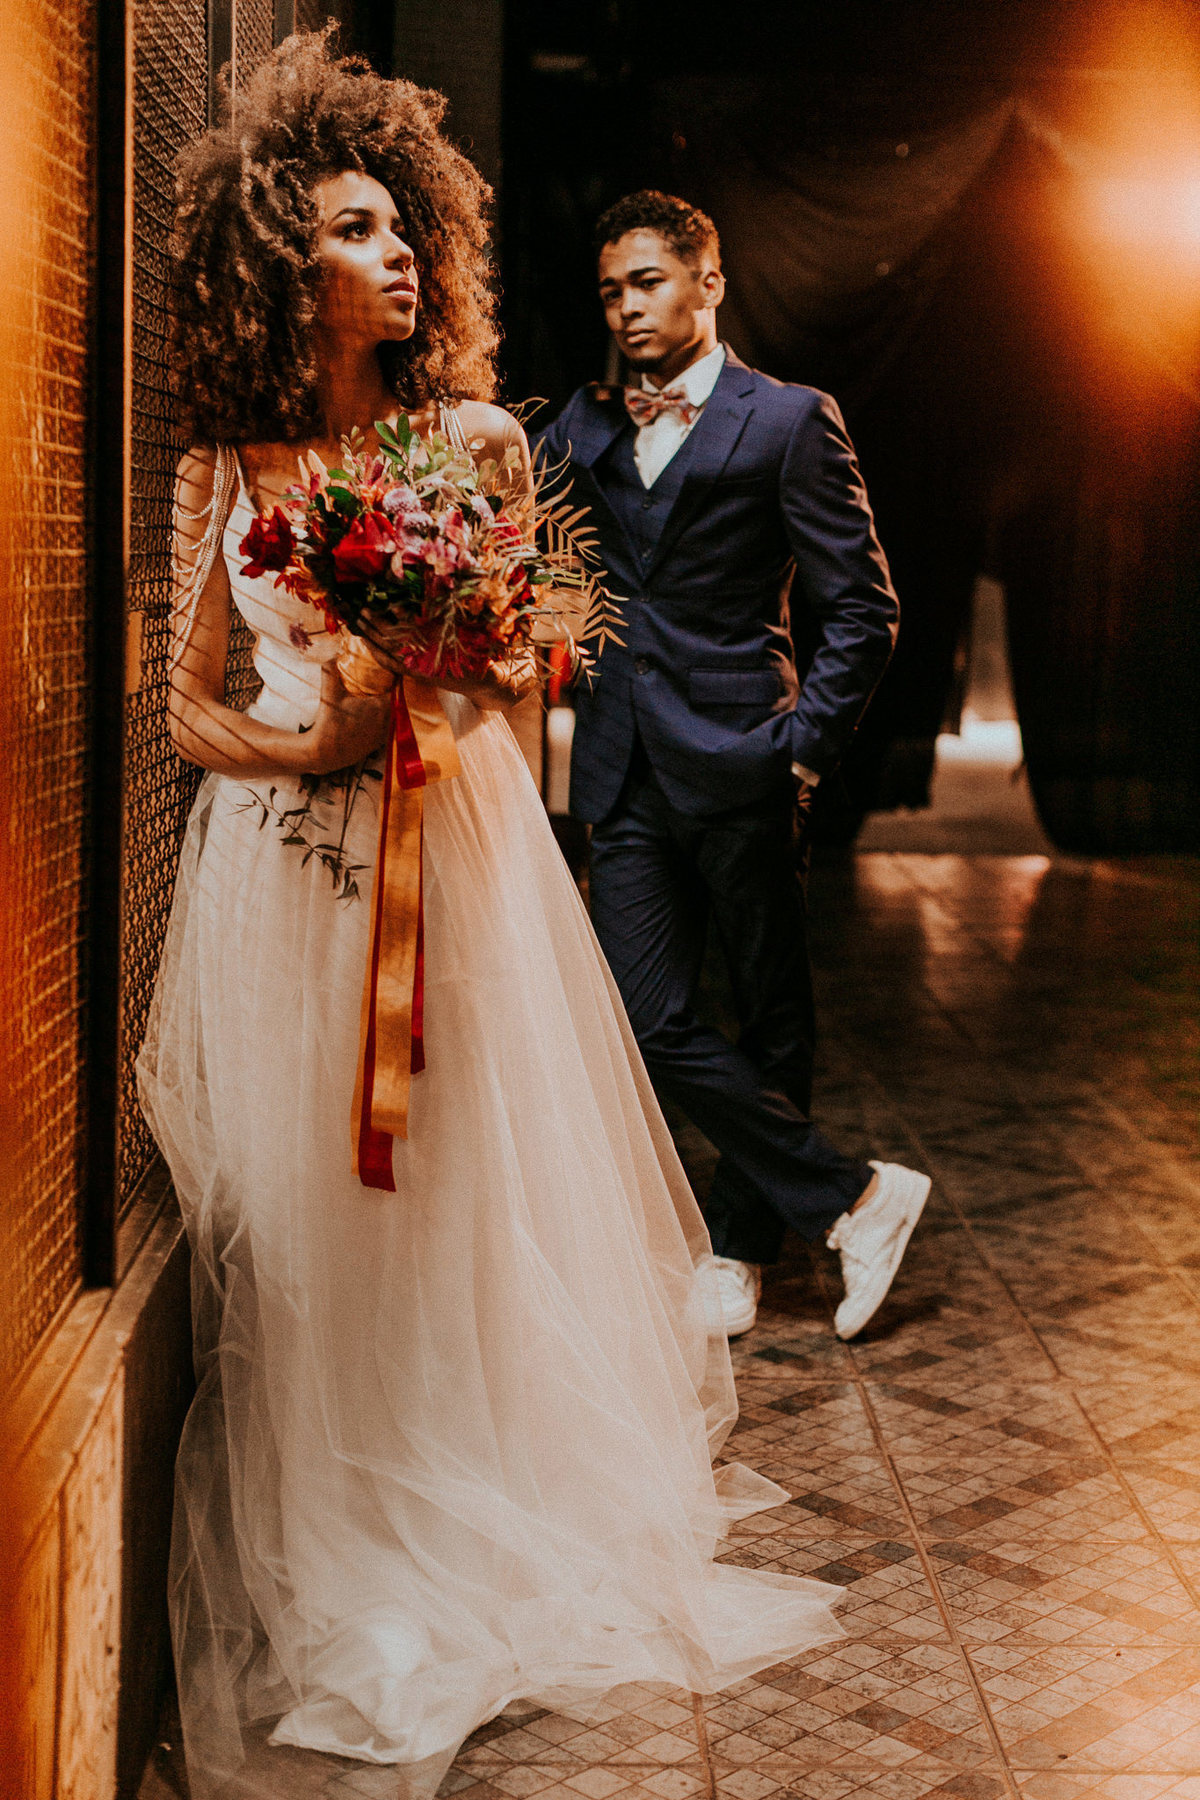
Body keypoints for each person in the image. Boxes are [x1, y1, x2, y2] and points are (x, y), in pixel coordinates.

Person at [137, 38, 846, 1800]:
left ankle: (462, 1500)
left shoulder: (470, 442)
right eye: (354, 229)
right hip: (269, 888)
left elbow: (526, 674)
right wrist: (311, 738)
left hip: (444, 868)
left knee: (443, 1198)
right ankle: (332, 1532)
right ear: (277, 262)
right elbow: (181, 705)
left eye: (402, 226)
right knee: (291, 1228)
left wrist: (426, 708)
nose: (399, 256)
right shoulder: (222, 470)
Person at [534, 191, 931, 1343]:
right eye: (609, 291)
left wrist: (803, 752)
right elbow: (507, 508)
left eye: (647, 282)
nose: (626, 308)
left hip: (748, 755)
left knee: (766, 1013)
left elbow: (866, 608)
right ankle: (855, 1193)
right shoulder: (586, 423)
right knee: (641, 1011)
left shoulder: (792, 419)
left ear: (708, 282)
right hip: (623, 766)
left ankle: (745, 1244)